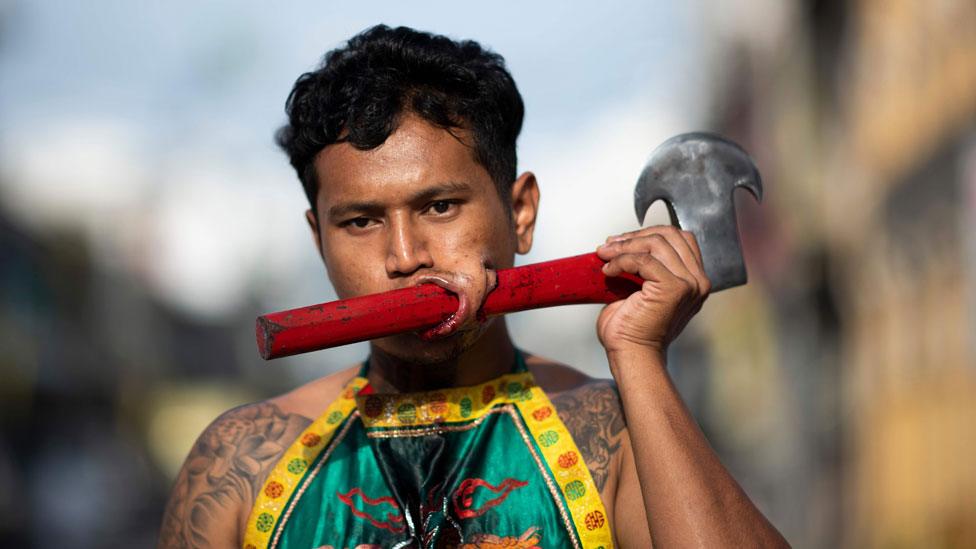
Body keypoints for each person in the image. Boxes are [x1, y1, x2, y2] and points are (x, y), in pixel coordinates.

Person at [158, 25, 788, 548]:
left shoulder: (614, 436)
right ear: (319, 237)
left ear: (520, 215)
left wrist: (640, 359)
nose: (404, 258)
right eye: (360, 221)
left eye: (439, 208)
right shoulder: (241, 460)